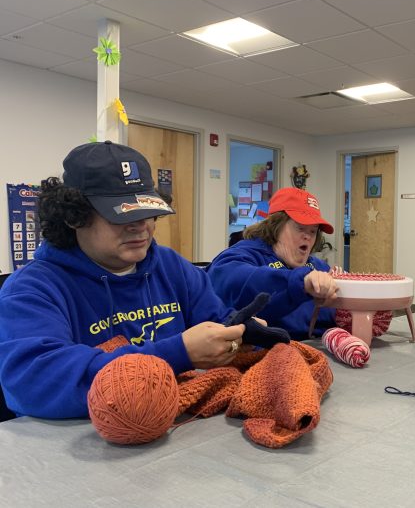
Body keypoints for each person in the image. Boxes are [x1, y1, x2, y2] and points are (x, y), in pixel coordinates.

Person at [0, 141, 249, 420]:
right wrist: (177, 353)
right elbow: (36, 382)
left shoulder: (170, 265)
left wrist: (242, 331)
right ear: (73, 216)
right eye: (121, 214)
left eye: (147, 211)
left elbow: (216, 320)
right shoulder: (32, 288)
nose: (141, 225)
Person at [207, 187, 338, 340]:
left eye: (313, 231)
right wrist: (300, 283)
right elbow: (237, 281)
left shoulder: (317, 266)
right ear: (275, 226)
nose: (307, 237)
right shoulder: (243, 255)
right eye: (300, 228)